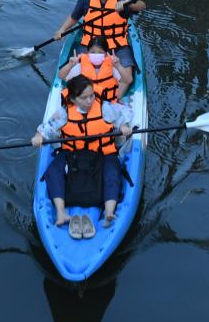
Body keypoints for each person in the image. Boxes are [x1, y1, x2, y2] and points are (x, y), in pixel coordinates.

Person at [31, 75, 135, 234]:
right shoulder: (64, 113)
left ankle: (109, 212)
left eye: (92, 95)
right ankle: (61, 213)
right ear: (73, 99)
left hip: (101, 152)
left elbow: (122, 119)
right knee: (53, 172)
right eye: (84, 97)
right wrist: (38, 137)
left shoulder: (105, 108)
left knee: (112, 173)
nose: (90, 100)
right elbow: (46, 128)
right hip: (72, 154)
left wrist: (125, 126)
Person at [51, 0, 146, 81]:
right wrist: (62, 29)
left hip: (117, 45)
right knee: (73, 75)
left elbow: (141, 5)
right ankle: (84, 92)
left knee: (126, 77)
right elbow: (74, 17)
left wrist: (129, 3)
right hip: (90, 44)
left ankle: (114, 95)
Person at [58, 35, 132, 103]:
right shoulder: (80, 66)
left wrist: (118, 66)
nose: (96, 54)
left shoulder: (111, 67)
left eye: (100, 52)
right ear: (87, 52)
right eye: (92, 52)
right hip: (85, 104)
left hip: (106, 103)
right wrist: (70, 65)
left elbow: (128, 80)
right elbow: (61, 76)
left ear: (106, 53)